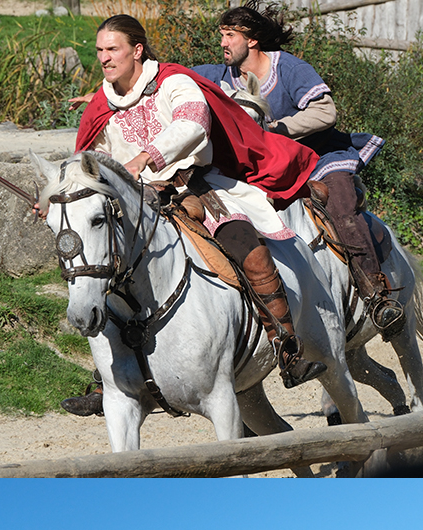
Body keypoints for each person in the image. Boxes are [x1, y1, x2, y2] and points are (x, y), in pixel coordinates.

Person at [60, 13, 327, 418]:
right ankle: (106, 381)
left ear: (136, 49)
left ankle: (286, 347)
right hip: (136, 202)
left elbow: (193, 125)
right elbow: (91, 163)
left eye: (111, 49)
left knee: (246, 245)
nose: (104, 58)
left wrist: (146, 157)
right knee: (103, 266)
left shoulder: (174, 82)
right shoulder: (103, 102)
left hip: (196, 187)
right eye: (99, 51)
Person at [193, 1, 405, 337]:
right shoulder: (218, 75)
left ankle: (376, 295)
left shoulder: (290, 69)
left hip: (319, 159)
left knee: (342, 209)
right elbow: (169, 74)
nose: (222, 42)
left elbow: (325, 113)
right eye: (221, 35)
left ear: (252, 40)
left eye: (229, 35)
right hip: (269, 168)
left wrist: (276, 129)